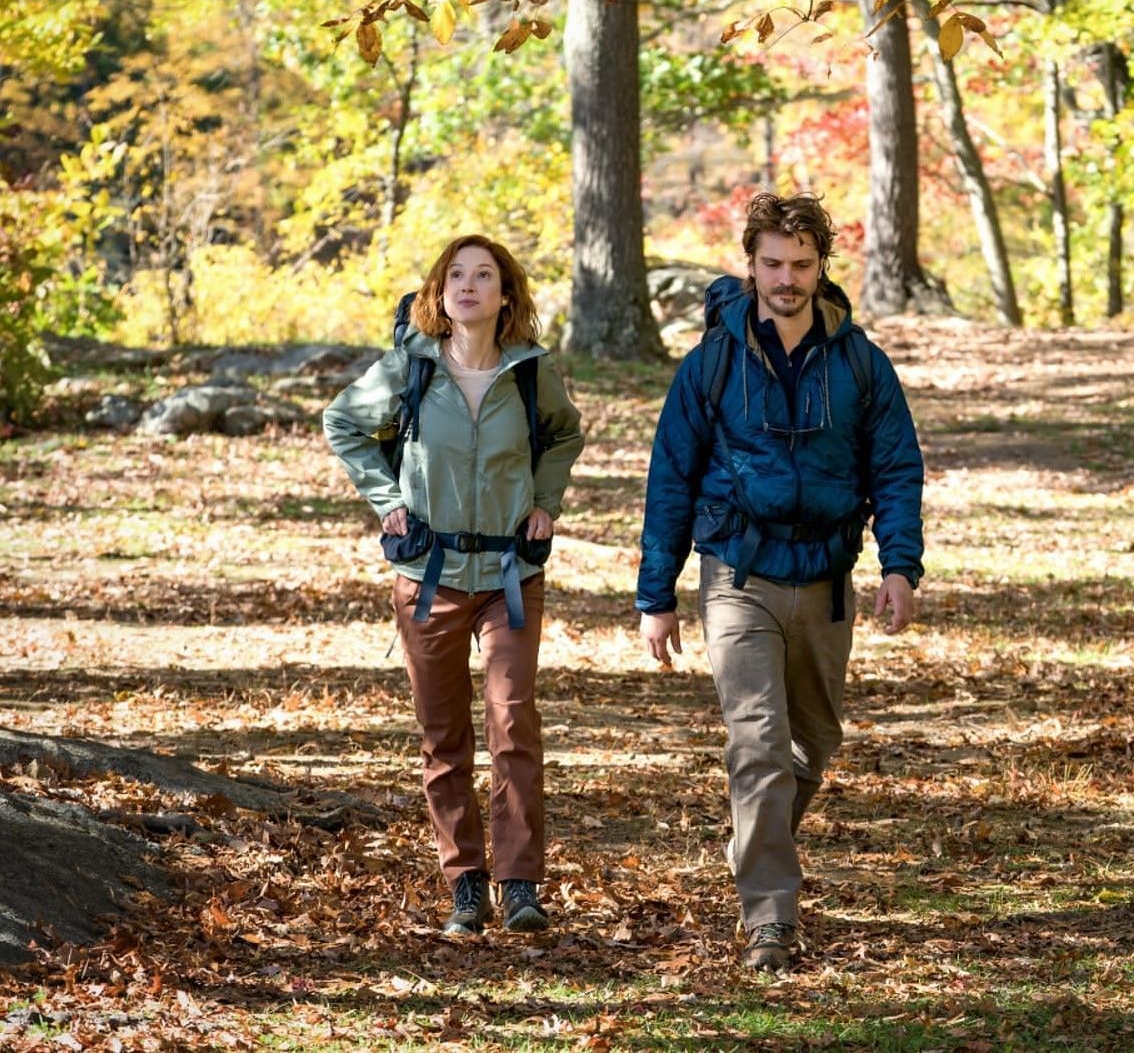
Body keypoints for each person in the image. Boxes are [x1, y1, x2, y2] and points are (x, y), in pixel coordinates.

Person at [636, 192, 924, 971]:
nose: (786, 279)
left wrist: (900, 564)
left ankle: (751, 837)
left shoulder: (860, 360)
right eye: (772, 264)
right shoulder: (713, 361)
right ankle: (770, 916)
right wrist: (655, 595)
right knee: (757, 745)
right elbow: (671, 476)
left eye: (801, 264)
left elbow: (896, 466)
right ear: (751, 264)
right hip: (737, 573)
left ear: (822, 266)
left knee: (814, 742)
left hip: (828, 577)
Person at [323, 235, 584, 936]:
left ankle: (521, 883)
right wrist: (386, 499)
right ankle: (466, 882)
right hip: (428, 575)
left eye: (484, 276)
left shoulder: (531, 374)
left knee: (513, 722)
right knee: (444, 737)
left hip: (510, 575)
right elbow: (343, 422)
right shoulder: (411, 368)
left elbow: (563, 436)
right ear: (439, 294)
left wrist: (546, 501)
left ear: (505, 296)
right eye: (455, 276)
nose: (468, 286)